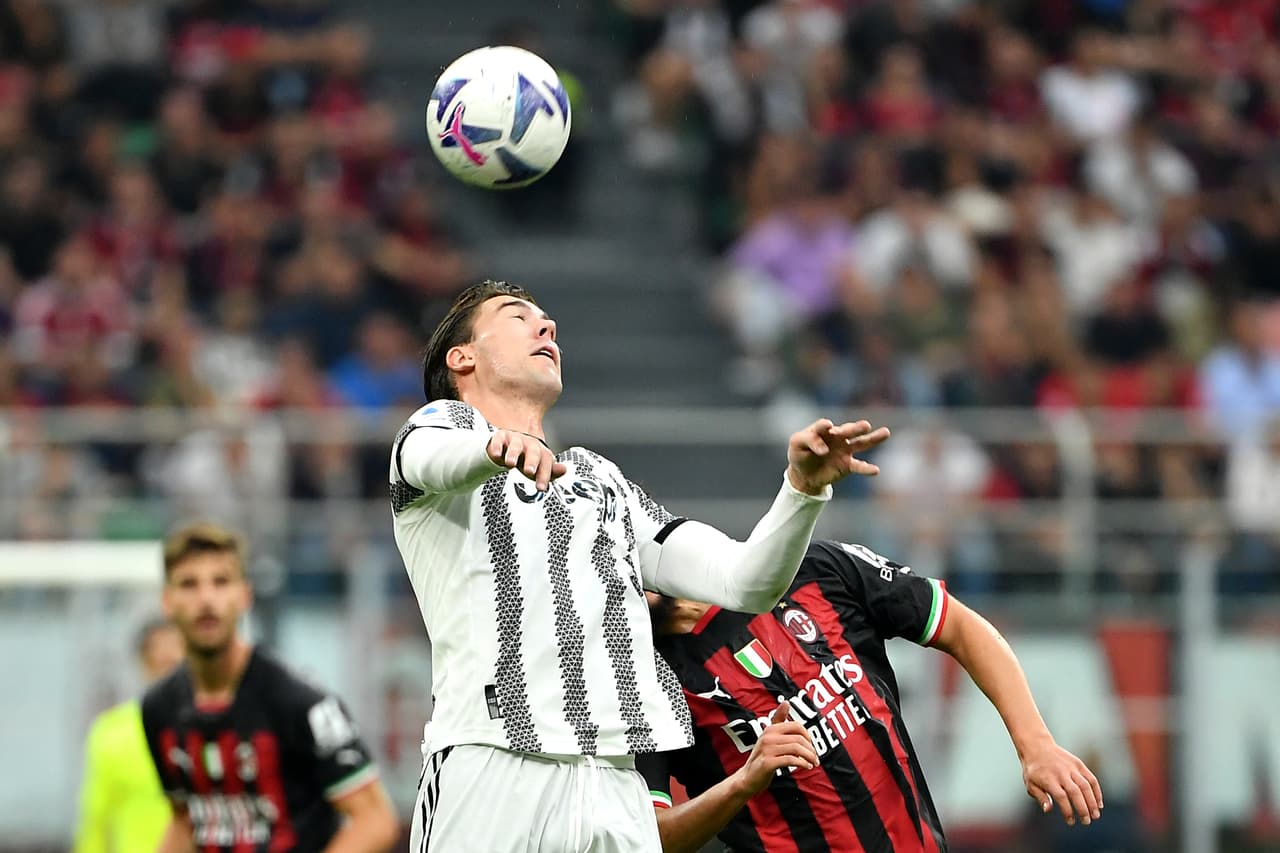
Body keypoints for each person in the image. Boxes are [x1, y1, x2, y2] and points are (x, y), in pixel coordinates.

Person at [390, 280, 889, 852]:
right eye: (517, 315)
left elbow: (745, 581)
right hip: (492, 765)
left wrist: (800, 492)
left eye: (548, 318)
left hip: (616, 788)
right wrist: (491, 448)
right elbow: (423, 457)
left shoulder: (604, 483)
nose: (546, 327)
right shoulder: (441, 432)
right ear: (463, 357)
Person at [638, 540, 1103, 853]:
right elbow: (650, 838)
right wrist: (744, 780)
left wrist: (1036, 746)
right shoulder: (637, 682)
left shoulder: (808, 568)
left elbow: (957, 625)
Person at [140, 523, 400, 853]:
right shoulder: (159, 709)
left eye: (220, 582)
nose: (206, 599)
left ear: (244, 595)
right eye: (189, 584)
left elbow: (375, 820)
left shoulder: (299, 701)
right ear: (167, 601)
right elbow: (184, 819)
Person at [73, 617, 184, 853]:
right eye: (161, 661)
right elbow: (96, 818)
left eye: (175, 661)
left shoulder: (215, 728)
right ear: (143, 662)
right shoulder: (111, 732)